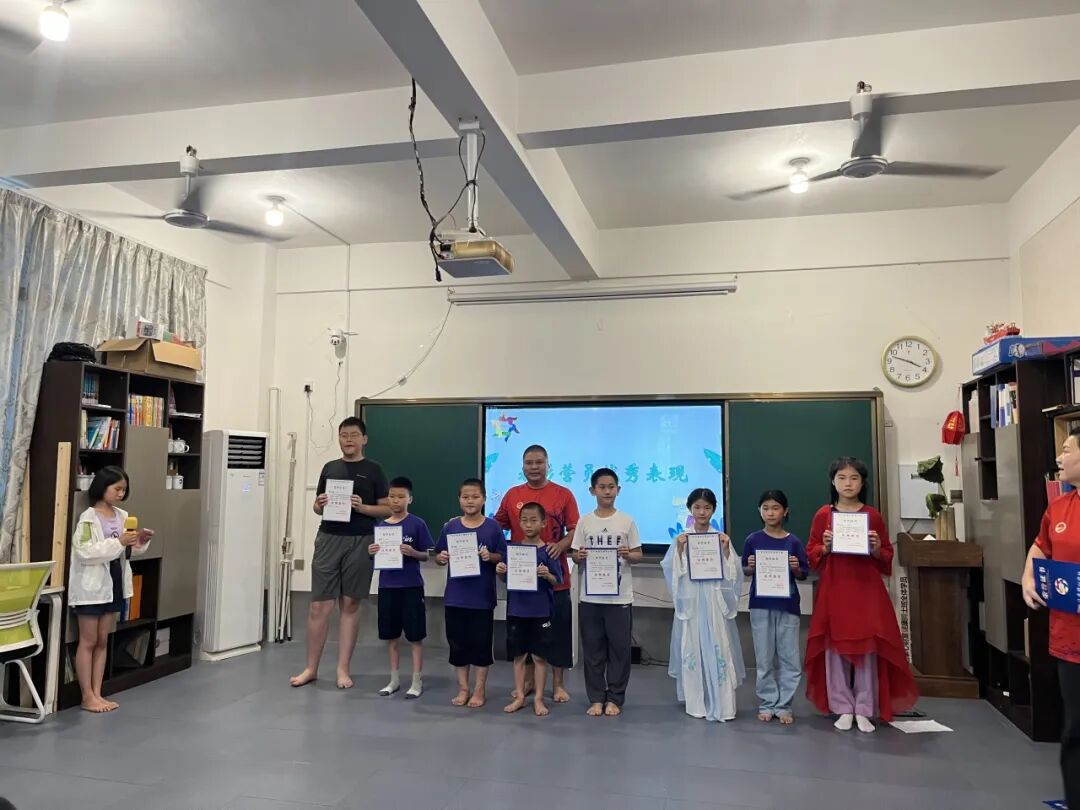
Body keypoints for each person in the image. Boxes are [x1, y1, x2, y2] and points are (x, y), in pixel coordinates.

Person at [804, 456, 917, 732]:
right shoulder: (823, 515)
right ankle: (842, 706)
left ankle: (865, 708)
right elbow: (811, 554)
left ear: (862, 483)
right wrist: (825, 547)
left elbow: (886, 555)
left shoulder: (872, 515)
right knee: (834, 648)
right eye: (842, 478)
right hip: (835, 589)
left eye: (854, 478)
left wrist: (876, 548)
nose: (848, 483)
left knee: (868, 647)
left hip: (866, 589)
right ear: (833, 482)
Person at [290, 417, 390, 689]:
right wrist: (319, 504)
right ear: (339, 438)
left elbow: (386, 509)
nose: (349, 439)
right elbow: (317, 507)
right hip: (328, 538)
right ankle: (311, 668)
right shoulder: (330, 468)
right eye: (344, 435)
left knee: (350, 603)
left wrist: (363, 507)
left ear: (364, 439)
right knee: (319, 605)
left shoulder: (374, 470)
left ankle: (343, 669)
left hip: (361, 539)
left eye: (354, 435)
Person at [1022, 426, 1080, 809]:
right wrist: (1029, 576)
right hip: (1070, 640)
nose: (1059, 457)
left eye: (1067, 449)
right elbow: (1040, 547)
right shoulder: (1059, 506)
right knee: (1075, 729)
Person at [495, 444, 579, 703]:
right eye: (529, 463)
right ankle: (528, 683)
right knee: (526, 635)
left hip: (554, 579)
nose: (534, 467)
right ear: (523, 466)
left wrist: (560, 546)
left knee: (558, 633)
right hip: (521, 581)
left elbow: (576, 529)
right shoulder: (512, 495)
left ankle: (558, 684)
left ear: (547, 464)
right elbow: (496, 526)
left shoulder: (563, 494)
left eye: (539, 462)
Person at [69, 466, 152, 713]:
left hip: (114, 582)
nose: (121, 493)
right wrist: (119, 542)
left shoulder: (123, 516)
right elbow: (84, 552)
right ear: (102, 487)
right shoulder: (88, 518)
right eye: (117, 488)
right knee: (89, 640)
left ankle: (98, 693)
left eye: (124, 490)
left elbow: (126, 552)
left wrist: (139, 543)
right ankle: (87, 696)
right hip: (91, 586)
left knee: (103, 640)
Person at [662, 487, 744, 722]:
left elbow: (733, 573)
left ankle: (723, 704)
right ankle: (697, 703)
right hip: (693, 601)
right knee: (693, 646)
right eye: (697, 507)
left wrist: (726, 551)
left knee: (719, 644)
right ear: (690, 509)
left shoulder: (720, 538)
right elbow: (671, 570)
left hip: (714, 600)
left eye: (707, 507)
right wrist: (679, 550)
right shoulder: (682, 538)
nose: (702, 512)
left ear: (714, 510)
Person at [570, 467, 642, 717]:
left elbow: (638, 554)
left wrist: (628, 554)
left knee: (620, 650)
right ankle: (596, 698)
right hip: (590, 597)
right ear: (592, 491)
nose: (607, 491)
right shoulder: (584, 522)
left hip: (619, 597)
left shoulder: (627, 521)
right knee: (592, 651)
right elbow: (575, 554)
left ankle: (615, 699)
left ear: (618, 490)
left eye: (611, 487)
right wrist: (578, 556)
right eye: (602, 487)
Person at [433, 478, 506, 708]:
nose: (470, 501)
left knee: (481, 646)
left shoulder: (492, 527)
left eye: (475, 497)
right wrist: (441, 558)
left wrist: (490, 557)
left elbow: (502, 556)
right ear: (459, 500)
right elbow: (438, 555)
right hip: (455, 597)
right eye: (465, 497)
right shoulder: (451, 526)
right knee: (458, 645)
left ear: (484, 499)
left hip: (481, 598)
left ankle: (479, 689)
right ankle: (463, 688)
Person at [741, 489, 808, 725]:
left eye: (776, 508)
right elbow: (745, 570)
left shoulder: (793, 541)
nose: (770, 513)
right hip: (760, 604)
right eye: (766, 508)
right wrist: (750, 566)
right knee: (764, 658)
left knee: (790, 658)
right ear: (759, 511)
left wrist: (795, 567)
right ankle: (768, 703)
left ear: (785, 511)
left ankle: (784, 705)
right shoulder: (752, 540)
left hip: (788, 605)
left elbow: (803, 573)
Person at [496, 502, 562, 716]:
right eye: (524, 520)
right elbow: (505, 578)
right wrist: (500, 570)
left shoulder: (549, 551)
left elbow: (557, 580)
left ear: (543, 523)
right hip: (517, 610)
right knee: (519, 656)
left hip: (540, 611)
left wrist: (547, 575)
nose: (528, 524)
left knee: (540, 657)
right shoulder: (513, 550)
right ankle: (520, 696)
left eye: (534, 520)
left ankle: (539, 698)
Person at [369, 477, 433, 699]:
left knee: (415, 637)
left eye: (400, 497)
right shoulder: (382, 526)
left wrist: (413, 553)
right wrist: (372, 552)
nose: (396, 501)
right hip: (387, 586)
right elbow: (375, 556)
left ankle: (416, 680)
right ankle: (394, 680)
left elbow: (427, 555)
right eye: (392, 496)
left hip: (411, 586)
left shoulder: (417, 524)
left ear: (410, 499)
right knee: (391, 636)